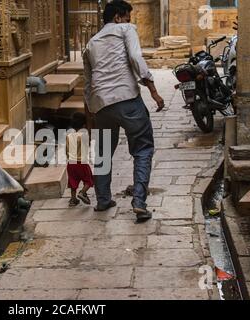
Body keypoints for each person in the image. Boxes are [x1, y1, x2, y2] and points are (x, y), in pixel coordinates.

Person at [83, 0, 165, 223]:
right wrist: (153, 90)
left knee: (103, 153)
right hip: (127, 99)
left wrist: (92, 111)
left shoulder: (91, 43)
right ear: (119, 17)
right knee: (143, 149)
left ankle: (103, 200)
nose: (130, 21)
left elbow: (88, 83)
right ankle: (139, 202)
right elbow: (136, 58)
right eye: (128, 17)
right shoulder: (126, 29)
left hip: (101, 105)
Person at [66, 113, 94, 207]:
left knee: (73, 181)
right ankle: (82, 192)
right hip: (81, 162)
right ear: (84, 125)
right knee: (88, 180)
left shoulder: (69, 136)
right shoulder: (84, 136)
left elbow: (67, 150)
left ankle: (73, 200)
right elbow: (87, 147)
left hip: (71, 163)